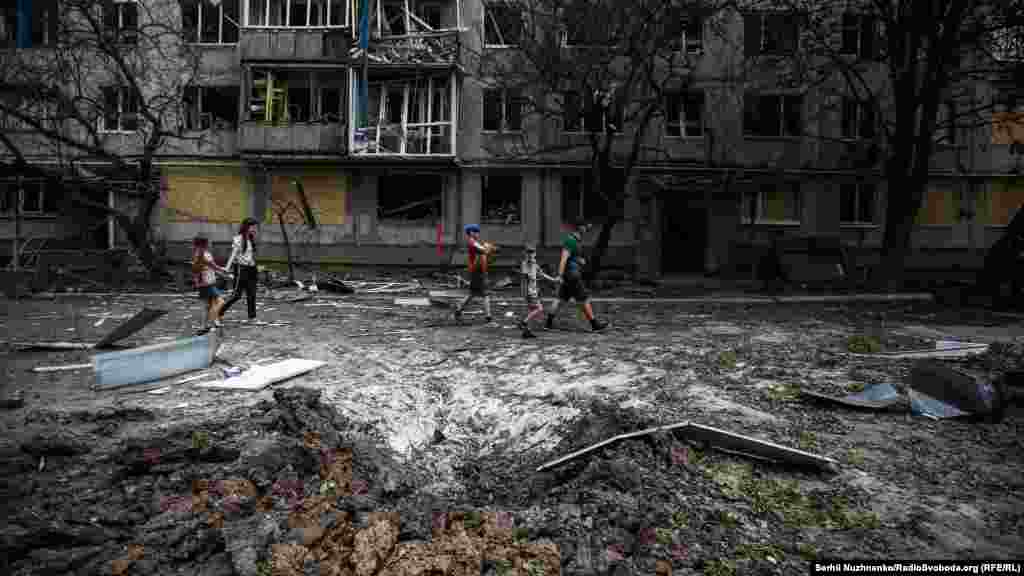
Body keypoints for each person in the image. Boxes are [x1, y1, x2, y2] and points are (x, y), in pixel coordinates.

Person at [546, 220, 608, 332]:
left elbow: (572, 257)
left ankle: (548, 324)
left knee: (560, 299)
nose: (587, 228)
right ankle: (595, 325)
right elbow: (563, 259)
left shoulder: (576, 241)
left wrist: (579, 260)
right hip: (572, 276)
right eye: (585, 226)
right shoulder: (570, 241)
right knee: (584, 299)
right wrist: (559, 275)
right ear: (580, 227)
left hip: (570, 275)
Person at [454, 224, 496, 325]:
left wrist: (489, 248)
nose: (477, 234)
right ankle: (488, 317)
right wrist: (489, 247)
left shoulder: (474, 242)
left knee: (473, 294)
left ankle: (458, 310)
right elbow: (484, 251)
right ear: (471, 232)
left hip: (478, 270)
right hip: (478, 271)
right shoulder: (472, 242)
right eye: (476, 232)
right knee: (485, 294)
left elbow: (484, 251)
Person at [220, 217, 260, 323]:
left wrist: (254, 265)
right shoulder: (238, 239)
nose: (254, 229)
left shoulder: (251, 239)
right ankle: (218, 312)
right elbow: (233, 254)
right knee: (236, 295)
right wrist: (227, 267)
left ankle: (252, 318)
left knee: (252, 294)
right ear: (246, 227)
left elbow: (249, 255)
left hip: (252, 269)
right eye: (252, 227)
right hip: (241, 269)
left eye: (255, 227)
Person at [191, 236, 232, 334]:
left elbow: (210, 268)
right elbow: (212, 266)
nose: (209, 244)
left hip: (206, 283)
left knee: (207, 306)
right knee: (220, 302)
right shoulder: (201, 255)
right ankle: (212, 321)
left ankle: (204, 326)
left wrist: (223, 274)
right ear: (203, 244)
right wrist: (224, 270)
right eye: (207, 243)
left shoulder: (201, 254)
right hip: (206, 284)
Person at [518, 244, 558, 339]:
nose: (530, 254)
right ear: (525, 254)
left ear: (535, 254)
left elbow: (542, 274)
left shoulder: (534, 264)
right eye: (529, 253)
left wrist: (553, 280)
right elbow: (525, 277)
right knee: (539, 309)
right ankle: (523, 322)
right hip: (529, 291)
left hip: (533, 291)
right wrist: (526, 291)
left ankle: (526, 331)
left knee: (532, 311)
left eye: (532, 252)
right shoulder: (525, 264)